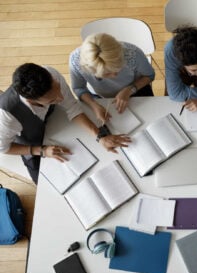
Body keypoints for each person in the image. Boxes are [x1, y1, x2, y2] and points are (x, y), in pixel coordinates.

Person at [0, 63, 130, 184]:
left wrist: (100, 136)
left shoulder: (51, 74)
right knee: (46, 183)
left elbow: (72, 108)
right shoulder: (7, 116)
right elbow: (4, 148)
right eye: (53, 99)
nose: (61, 99)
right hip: (32, 141)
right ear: (30, 101)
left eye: (58, 90)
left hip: (52, 120)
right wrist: (42, 151)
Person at [69, 33, 155, 122]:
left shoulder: (133, 54)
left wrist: (129, 90)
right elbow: (79, 88)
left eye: (119, 68)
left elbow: (149, 75)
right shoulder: (76, 61)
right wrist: (94, 105)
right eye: (106, 74)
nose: (114, 75)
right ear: (91, 70)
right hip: (99, 97)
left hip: (136, 89)